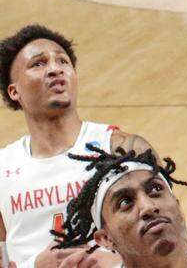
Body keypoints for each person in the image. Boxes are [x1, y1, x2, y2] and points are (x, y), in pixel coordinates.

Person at [0, 25, 151, 268]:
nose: (55, 68)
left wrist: (121, 261)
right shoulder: (2, 168)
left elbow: (171, 237)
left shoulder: (118, 147)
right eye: (38, 64)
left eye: (63, 61)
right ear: (14, 91)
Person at [51, 146, 187, 268]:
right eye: (125, 202)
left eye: (155, 190)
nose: (148, 207)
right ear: (105, 239)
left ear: (178, 208)